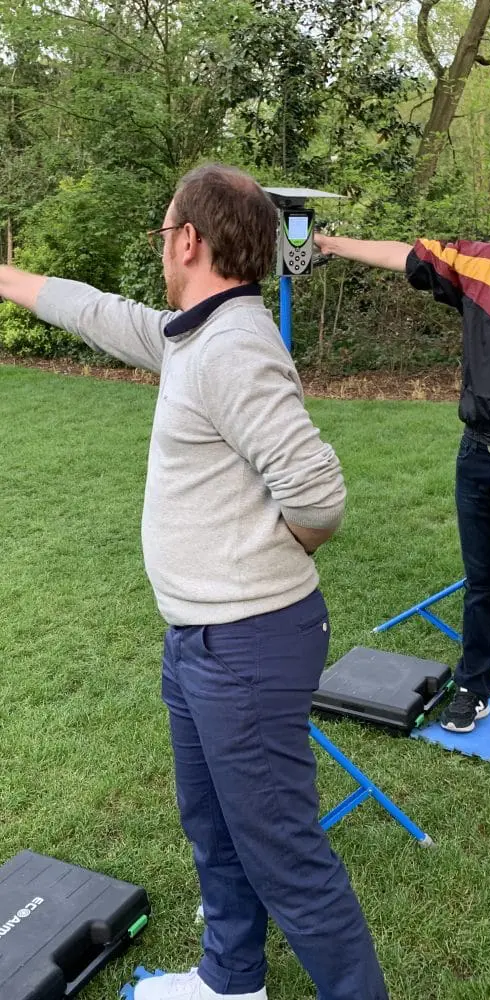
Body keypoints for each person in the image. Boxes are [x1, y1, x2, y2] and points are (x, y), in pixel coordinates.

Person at [0, 165, 388, 1000]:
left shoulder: (232, 348)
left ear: (188, 240)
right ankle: (231, 979)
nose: (160, 246)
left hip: (245, 645)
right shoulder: (193, 334)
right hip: (201, 641)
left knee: (285, 857)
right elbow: (98, 312)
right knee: (213, 825)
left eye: (163, 231)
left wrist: (272, 551)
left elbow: (319, 495)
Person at [314, 230, 490, 734]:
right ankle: (474, 687)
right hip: (477, 454)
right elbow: (408, 256)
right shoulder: (481, 265)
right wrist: (331, 244)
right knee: (482, 584)